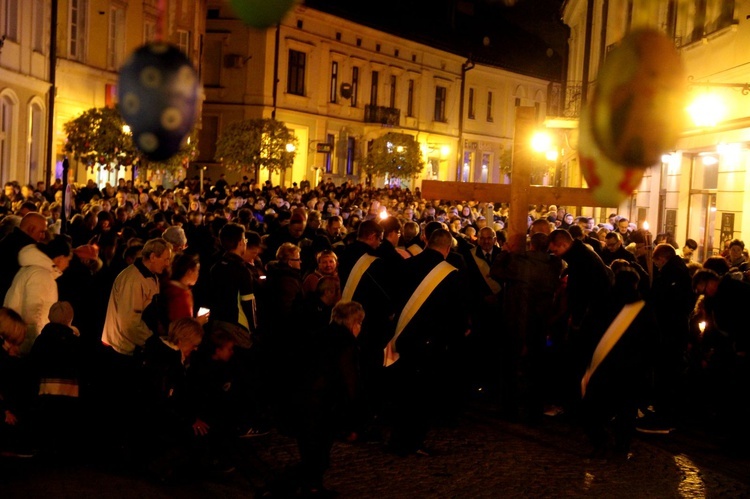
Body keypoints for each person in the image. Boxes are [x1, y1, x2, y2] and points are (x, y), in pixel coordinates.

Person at [386, 228, 469, 455]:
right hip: (431, 343)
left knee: (401, 391)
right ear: (448, 248)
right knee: (422, 395)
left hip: (403, 337)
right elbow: (457, 313)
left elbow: (393, 299)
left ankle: (397, 438)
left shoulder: (406, 265)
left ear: (426, 242)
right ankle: (413, 442)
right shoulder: (451, 274)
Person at [295, 301, 365, 496]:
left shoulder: (319, 334)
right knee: (319, 450)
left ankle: (309, 484)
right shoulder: (346, 343)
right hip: (321, 404)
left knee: (310, 449)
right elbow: (349, 382)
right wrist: (354, 420)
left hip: (303, 398)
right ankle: (312, 487)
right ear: (354, 324)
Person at [4, 234, 73, 355]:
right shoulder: (41, 275)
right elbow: (32, 315)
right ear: (60, 258)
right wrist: (36, 347)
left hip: (16, 338)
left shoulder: (33, 270)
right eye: (68, 260)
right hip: (23, 344)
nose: (68, 264)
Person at [0, 212, 48, 301]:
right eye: (42, 232)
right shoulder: (28, 251)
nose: (43, 236)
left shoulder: (8, 240)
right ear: (31, 229)